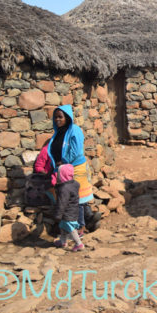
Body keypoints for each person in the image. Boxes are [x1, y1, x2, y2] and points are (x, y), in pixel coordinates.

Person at [47, 105, 100, 234]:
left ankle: (79, 228)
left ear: (68, 118)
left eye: (60, 117)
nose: (57, 120)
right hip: (64, 169)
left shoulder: (74, 130)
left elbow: (75, 151)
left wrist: (63, 162)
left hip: (76, 168)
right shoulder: (59, 132)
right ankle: (89, 219)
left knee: (76, 199)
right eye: (55, 117)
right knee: (76, 198)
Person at [52, 164, 84, 251]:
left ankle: (79, 244)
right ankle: (63, 241)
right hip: (73, 209)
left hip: (67, 212)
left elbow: (62, 203)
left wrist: (57, 215)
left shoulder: (64, 188)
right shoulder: (74, 184)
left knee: (70, 228)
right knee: (63, 227)